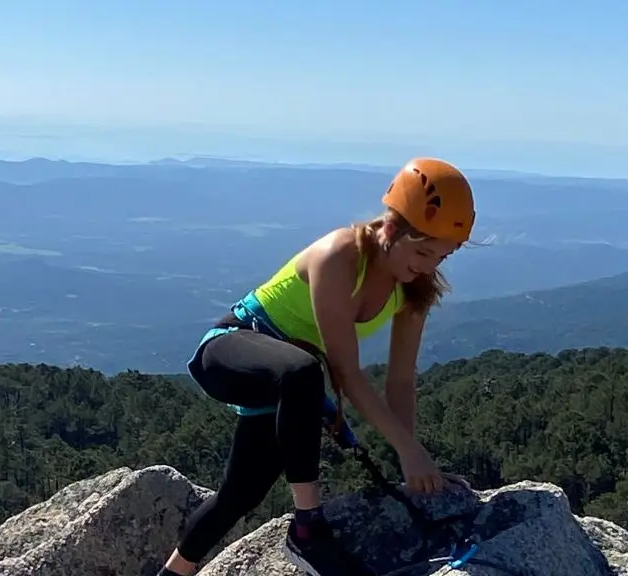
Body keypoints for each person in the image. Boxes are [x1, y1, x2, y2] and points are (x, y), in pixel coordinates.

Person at [154, 157, 478, 576]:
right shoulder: (339, 255)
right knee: (304, 371)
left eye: (442, 257)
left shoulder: (414, 292)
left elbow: (400, 381)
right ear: (392, 227)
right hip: (228, 349)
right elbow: (345, 371)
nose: (429, 266)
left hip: (287, 382)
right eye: (422, 251)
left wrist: (411, 464)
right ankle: (308, 529)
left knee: (239, 497)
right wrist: (408, 450)